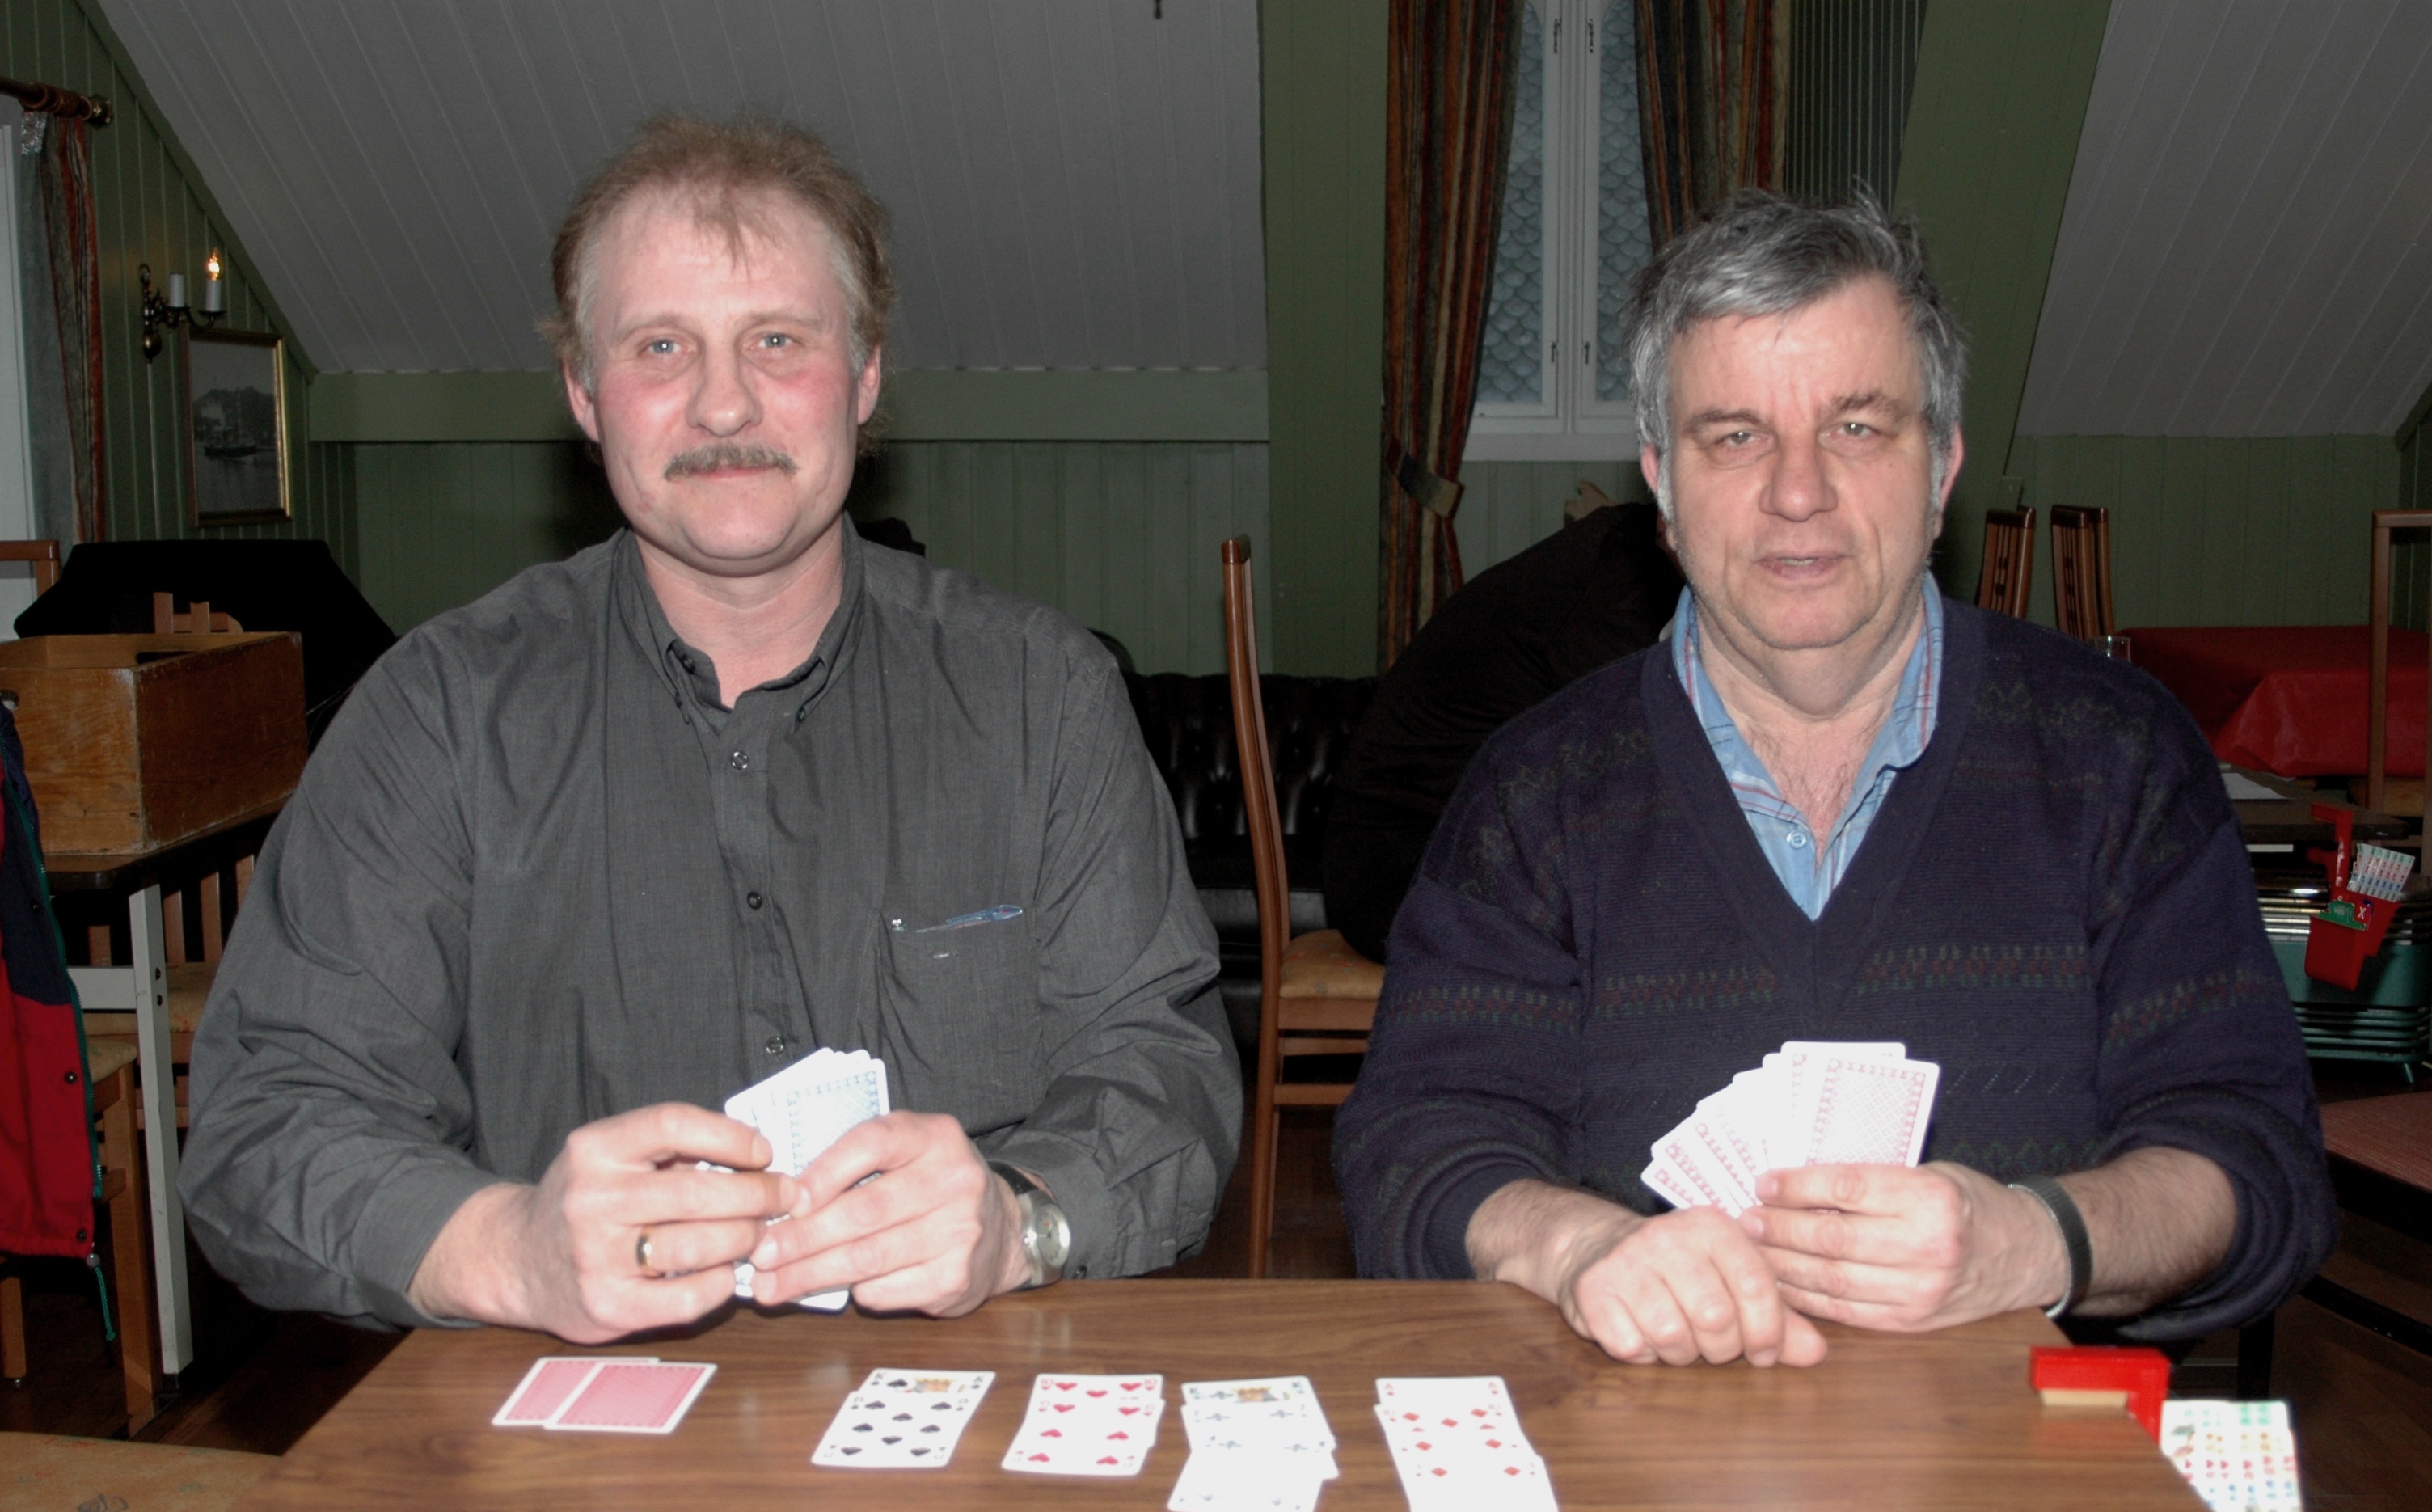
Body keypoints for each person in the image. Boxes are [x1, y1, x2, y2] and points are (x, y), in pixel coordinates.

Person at [180, 116, 1239, 1341]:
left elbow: (1166, 1068)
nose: (724, 402)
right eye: (661, 346)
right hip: (557, 1430)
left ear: (865, 375)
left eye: (777, 340)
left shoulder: (1041, 696)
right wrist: (507, 1249)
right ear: (585, 394)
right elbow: (269, 1117)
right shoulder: (437, 716)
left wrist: (1021, 1217)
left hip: (971, 1408)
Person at [1332, 191, 2334, 1367]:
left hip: (2016, 1464)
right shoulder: (1535, 788)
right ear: (1661, 486)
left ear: (1942, 465)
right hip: (1626, 1454)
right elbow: (1412, 1142)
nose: (1797, 491)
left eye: (1857, 427)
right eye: (1734, 436)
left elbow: (2255, 1157)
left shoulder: (2118, 755)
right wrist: (1575, 1246)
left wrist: (2036, 1240)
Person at [1322, 495, 1682, 962]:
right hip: (1400, 874)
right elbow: (1647, 769)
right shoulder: (1618, 589)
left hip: (1462, 855)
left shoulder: (1625, 561)